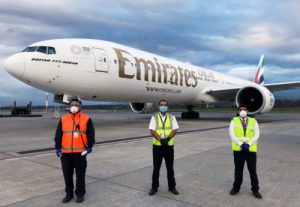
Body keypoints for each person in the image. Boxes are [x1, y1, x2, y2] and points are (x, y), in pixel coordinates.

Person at [54, 97, 95, 203]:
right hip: (66, 153)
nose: (74, 107)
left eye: (76, 105)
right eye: (72, 105)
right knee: (67, 175)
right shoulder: (63, 119)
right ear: (68, 107)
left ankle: (80, 194)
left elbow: (91, 134)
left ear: (80, 106)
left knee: (80, 175)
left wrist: (90, 146)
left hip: (80, 153)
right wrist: (57, 147)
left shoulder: (86, 118)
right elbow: (58, 134)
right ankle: (69, 194)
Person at [229, 106, 262, 199]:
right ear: (238, 111)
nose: (243, 111)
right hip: (238, 150)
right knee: (238, 170)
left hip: (250, 150)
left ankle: (255, 190)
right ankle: (236, 187)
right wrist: (240, 144)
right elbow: (232, 134)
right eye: (240, 109)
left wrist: (249, 144)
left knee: (253, 170)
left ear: (247, 111)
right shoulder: (233, 120)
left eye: (244, 109)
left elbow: (257, 134)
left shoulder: (253, 121)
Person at [148, 100, 179, 196]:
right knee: (156, 168)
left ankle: (172, 187)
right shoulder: (154, 117)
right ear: (158, 106)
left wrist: (168, 139)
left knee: (170, 168)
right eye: (161, 105)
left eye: (165, 105)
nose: (163, 107)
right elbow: (152, 131)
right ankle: (154, 187)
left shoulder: (171, 117)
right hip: (158, 146)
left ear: (167, 107)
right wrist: (161, 140)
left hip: (169, 146)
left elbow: (175, 129)